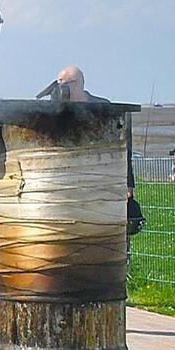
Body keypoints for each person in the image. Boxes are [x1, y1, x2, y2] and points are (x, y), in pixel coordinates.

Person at [49, 64, 142, 235]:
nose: (59, 88)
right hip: (70, 184)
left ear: (77, 84)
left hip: (101, 179)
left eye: (64, 83)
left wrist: (128, 183)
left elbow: (123, 147)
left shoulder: (102, 107)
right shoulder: (55, 110)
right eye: (58, 83)